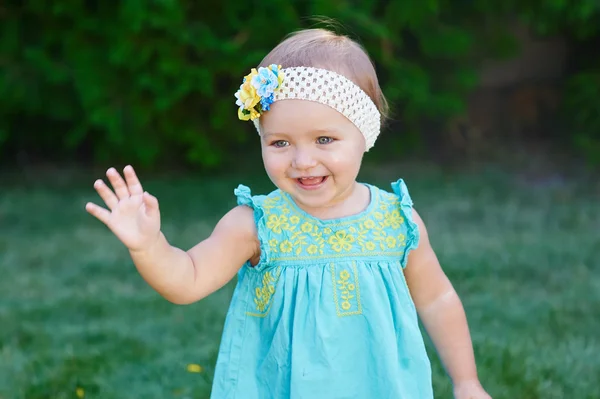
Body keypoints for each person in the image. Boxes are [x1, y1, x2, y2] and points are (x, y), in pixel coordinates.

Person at [86, 28, 492, 399]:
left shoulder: (396, 222)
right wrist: (148, 245)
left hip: (379, 385)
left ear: (364, 136)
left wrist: (467, 381)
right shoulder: (255, 226)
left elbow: (438, 299)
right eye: (280, 142)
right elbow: (186, 281)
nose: (303, 160)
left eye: (324, 139)